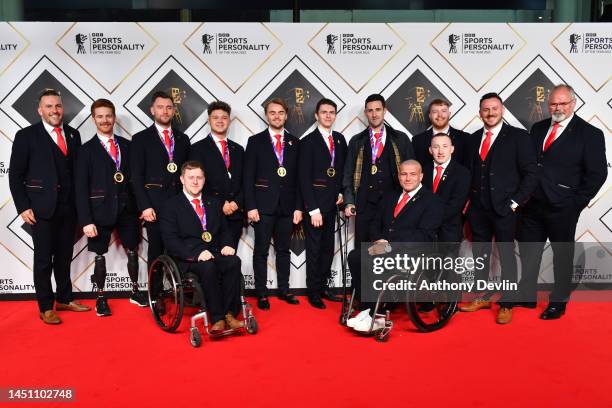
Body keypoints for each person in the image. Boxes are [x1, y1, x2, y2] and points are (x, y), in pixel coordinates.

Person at [518, 84, 607, 320]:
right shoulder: (537, 128)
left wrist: (576, 202)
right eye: (553, 104)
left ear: (573, 104)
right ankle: (527, 295)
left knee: (562, 254)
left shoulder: (590, 134)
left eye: (563, 103)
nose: (557, 108)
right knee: (529, 252)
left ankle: (559, 300)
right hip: (532, 204)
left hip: (563, 206)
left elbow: (598, 174)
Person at [9, 88, 90, 324]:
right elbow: (15, 175)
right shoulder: (26, 136)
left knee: (65, 257)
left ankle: (64, 298)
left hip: (69, 208)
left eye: (57, 106)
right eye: (49, 106)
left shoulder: (73, 135)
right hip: (41, 209)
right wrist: (23, 206)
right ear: (39, 110)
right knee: (44, 259)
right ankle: (45, 306)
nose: (54, 110)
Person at [459, 92, 537, 324]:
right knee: (481, 254)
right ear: (480, 112)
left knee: (506, 255)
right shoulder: (472, 139)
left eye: (494, 108)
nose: (490, 113)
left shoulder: (519, 137)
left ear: (501, 110)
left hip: (505, 208)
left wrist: (515, 202)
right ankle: (482, 296)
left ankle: (508, 301)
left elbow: (532, 174)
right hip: (478, 209)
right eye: (485, 109)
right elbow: (467, 174)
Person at [347, 160, 443, 332]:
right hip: (385, 247)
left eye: (412, 174)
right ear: (399, 176)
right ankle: (368, 308)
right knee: (356, 256)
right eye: (403, 174)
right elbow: (375, 223)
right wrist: (378, 239)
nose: (407, 178)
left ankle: (375, 314)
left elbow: (425, 235)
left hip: (410, 251)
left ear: (421, 176)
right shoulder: (390, 196)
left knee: (372, 261)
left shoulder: (432, 201)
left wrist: (390, 242)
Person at [75, 99, 147, 317]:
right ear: (93, 119)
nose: (105, 120)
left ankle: (135, 291)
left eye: (108, 116)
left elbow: (136, 179)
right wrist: (86, 220)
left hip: (128, 210)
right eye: (100, 116)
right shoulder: (85, 150)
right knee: (99, 254)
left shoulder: (128, 145)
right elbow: (80, 188)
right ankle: (101, 298)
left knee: (133, 249)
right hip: (98, 212)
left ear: (114, 117)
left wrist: (142, 207)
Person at [160, 161, 243, 332]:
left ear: (204, 180)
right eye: (191, 178)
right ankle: (217, 318)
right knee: (208, 267)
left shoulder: (214, 202)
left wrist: (227, 244)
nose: (195, 182)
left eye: (199, 177)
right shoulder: (170, 206)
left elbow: (225, 230)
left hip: (212, 252)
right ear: (182, 179)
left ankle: (229, 314)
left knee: (233, 261)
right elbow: (171, 241)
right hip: (187, 257)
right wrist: (196, 254)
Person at [243, 98, 302, 310]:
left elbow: (299, 179)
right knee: (261, 251)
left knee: (284, 250)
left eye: (280, 112)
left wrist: (298, 207)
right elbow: (247, 177)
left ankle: (285, 290)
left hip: (287, 207)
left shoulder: (296, 142)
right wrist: (250, 206)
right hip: (262, 207)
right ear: (266, 115)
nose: (276, 116)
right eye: (272, 113)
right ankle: (261, 293)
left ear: (286, 115)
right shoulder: (255, 141)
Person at [130, 91, 190, 272]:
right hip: (153, 207)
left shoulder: (183, 139)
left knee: (180, 249)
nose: (165, 111)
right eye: (160, 107)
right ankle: (154, 295)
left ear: (173, 111)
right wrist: (145, 206)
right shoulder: (140, 139)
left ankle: (178, 291)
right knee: (156, 251)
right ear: (152, 110)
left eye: (169, 107)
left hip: (180, 205)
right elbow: (136, 176)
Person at [343, 94, 414, 244]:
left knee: (390, 252)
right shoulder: (356, 141)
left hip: (393, 204)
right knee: (363, 251)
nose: (374, 114)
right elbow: (348, 174)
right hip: (364, 205)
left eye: (378, 109)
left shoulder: (401, 138)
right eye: (370, 110)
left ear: (384, 110)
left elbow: (412, 173)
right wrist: (349, 201)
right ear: (365, 113)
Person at [299, 98, 347, 309]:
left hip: (332, 205)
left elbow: (342, 172)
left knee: (328, 249)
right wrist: (313, 209)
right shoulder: (307, 141)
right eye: (324, 112)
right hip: (316, 208)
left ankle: (325, 287)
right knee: (315, 250)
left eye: (332, 112)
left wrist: (342, 193)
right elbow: (303, 178)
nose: (328, 116)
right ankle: (313, 292)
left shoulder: (339, 139)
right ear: (316, 115)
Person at [189, 101, 244, 250]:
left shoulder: (239, 149)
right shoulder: (197, 149)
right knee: (211, 262)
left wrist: (236, 203)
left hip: (235, 214)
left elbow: (246, 181)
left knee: (230, 259)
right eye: (216, 117)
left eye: (224, 117)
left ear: (229, 120)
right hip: (210, 214)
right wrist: (221, 204)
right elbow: (196, 183)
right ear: (209, 121)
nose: (220, 121)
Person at [422, 133, 470, 254]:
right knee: (426, 270)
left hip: (449, 232)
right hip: (423, 233)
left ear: (452, 149)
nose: (440, 151)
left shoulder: (462, 173)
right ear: (430, 150)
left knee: (448, 270)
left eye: (445, 146)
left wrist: (430, 220)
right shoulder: (422, 171)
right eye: (436, 147)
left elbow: (455, 205)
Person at [411, 98, 469, 167]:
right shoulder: (417, 140)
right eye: (435, 112)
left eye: (443, 111)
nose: (439, 115)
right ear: (429, 115)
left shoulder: (465, 138)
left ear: (449, 114)